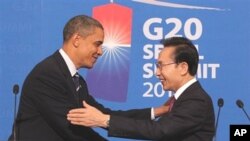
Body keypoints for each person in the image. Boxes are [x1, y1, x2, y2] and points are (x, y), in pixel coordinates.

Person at [8, 15, 169, 141]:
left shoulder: (76, 80)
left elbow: (104, 114)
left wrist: (156, 111)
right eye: (97, 44)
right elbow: (71, 129)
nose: (100, 51)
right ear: (77, 40)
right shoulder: (47, 75)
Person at [67, 37, 215, 141]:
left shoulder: (196, 100)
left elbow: (160, 131)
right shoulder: (183, 99)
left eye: (161, 65)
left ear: (183, 67)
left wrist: (104, 120)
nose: (157, 72)